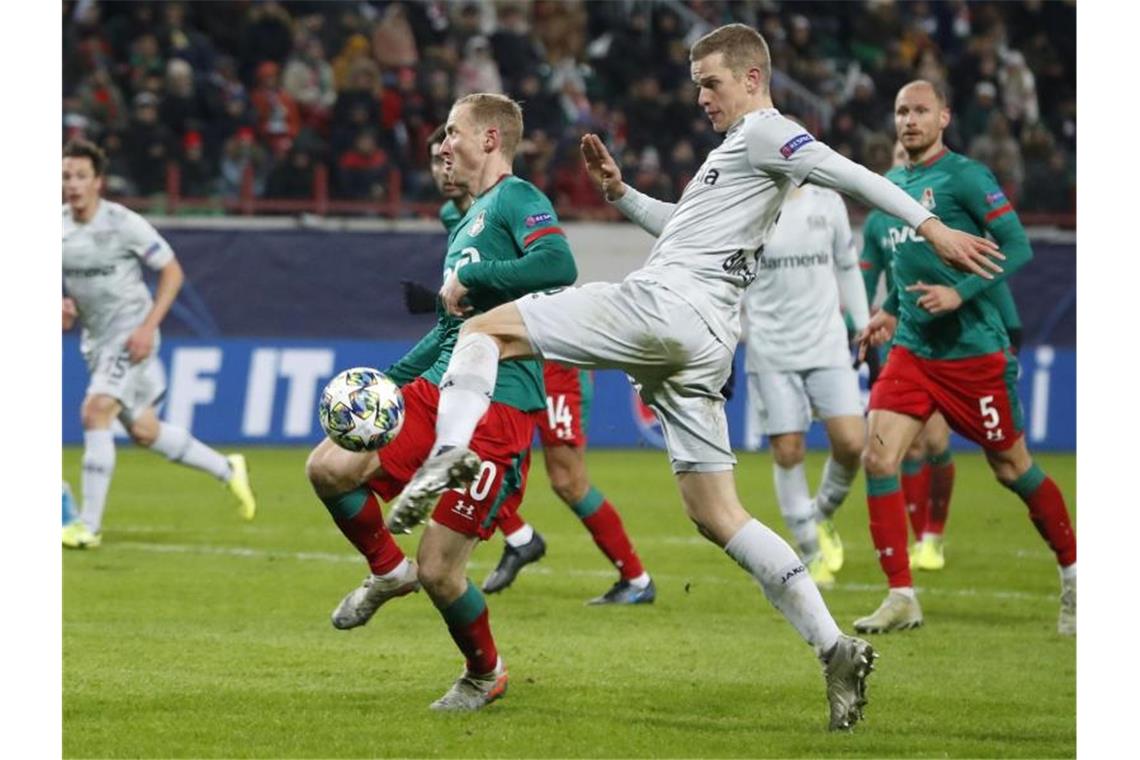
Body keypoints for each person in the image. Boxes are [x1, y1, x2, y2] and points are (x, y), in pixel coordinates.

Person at [389, 25, 1003, 731]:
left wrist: (931, 228)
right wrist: (621, 193)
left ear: (751, 77)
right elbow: (686, 228)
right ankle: (834, 648)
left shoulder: (768, 132)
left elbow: (848, 173)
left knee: (482, 327)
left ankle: (446, 454)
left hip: (666, 310)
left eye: (710, 83)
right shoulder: (736, 158)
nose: (701, 97)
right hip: (705, 339)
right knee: (717, 514)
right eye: (697, 85)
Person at [304, 94, 577, 712]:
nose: (444, 144)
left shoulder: (518, 198)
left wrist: (476, 279)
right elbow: (449, 328)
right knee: (329, 466)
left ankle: (485, 673)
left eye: (454, 132)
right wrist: (392, 383)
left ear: (489, 140)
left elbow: (559, 263)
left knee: (441, 570)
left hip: (500, 401)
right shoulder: (465, 222)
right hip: (439, 388)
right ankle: (385, 570)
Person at [853, 80, 1075, 636]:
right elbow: (904, 268)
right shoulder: (890, 188)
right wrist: (889, 312)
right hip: (913, 351)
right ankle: (902, 595)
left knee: (1011, 468)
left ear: (945, 117)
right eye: (901, 110)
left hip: (974, 353)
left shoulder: (967, 177)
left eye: (921, 110)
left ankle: (1075, 572)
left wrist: (960, 293)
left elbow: (1018, 245)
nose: (909, 120)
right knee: (878, 458)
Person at [420, 124, 655, 604]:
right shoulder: (452, 215)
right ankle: (520, 538)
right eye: (434, 160)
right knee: (472, 451)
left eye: (448, 154)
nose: (443, 167)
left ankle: (635, 579)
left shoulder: (512, 200)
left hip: (549, 358)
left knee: (567, 480)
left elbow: (544, 270)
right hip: (497, 357)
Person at [62, 140, 256, 550]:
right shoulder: (56, 226)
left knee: (96, 411)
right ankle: (227, 468)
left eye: (81, 176)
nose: (72, 184)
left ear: (98, 182)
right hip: (96, 340)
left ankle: (87, 526)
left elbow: (171, 272)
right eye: (66, 176)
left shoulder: (122, 223)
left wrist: (149, 327)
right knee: (145, 431)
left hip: (132, 332)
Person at [860, 141, 1025, 573]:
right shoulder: (882, 218)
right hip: (911, 343)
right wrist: (881, 313)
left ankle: (933, 531)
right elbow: (883, 272)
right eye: (895, 158)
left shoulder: (953, 192)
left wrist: (1010, 328)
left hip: (966, 343)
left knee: (957, 452)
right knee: (895, 450)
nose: (902, 167)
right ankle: (916, 554)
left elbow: (1001, 255)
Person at [742, 172, 869, 590]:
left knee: (852, 443)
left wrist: (863, 326)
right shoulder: (749, 206)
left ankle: (820, 515)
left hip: (827, 343)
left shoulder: (827, 204)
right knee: (788, 449)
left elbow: (848, 268)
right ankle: (810, 552)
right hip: (771, 348)